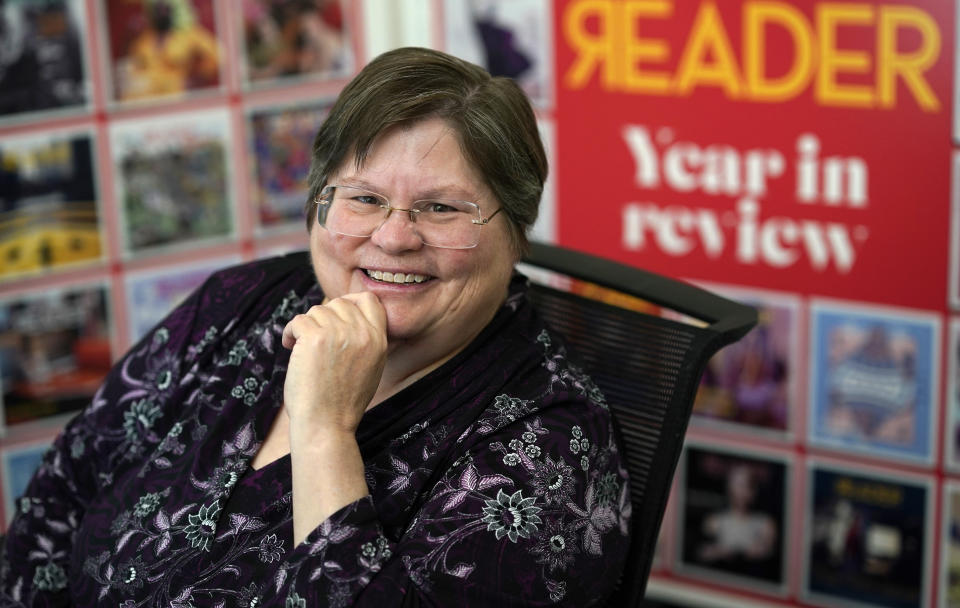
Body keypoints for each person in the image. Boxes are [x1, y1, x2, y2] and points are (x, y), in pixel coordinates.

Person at [0, 47, 630, 606]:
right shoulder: (245, 301)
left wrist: (326, 432)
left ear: (515, 231)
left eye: (441, 209)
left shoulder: (550, 445)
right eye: (363, 198)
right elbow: (61, 495)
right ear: (317, 204)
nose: (392, 237)